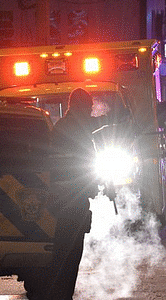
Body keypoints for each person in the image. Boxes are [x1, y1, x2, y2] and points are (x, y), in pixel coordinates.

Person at [43, 88, 104, 300]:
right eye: (87, 108)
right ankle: (61, 294)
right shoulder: (77, 127)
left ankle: (60, 292)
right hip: (71, 199)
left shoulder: (64, 126)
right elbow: (83, 163)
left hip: (64, 198)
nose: (90, 112)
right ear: (79, 107)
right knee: (68, 254)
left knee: (65, 254)